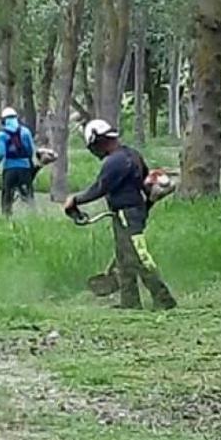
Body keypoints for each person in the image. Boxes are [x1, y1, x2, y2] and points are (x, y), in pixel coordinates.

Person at [65, 119, 177, 310]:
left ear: (99, 142)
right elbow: (145, 181)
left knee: (139, 257)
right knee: (124, 260)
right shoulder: (132, 155)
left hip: (127, 214)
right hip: (130, 212)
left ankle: (165, 300)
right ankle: (130, 302)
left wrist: (75, 200)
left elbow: (99, 188)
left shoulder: (115, 161)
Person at [0, 107, 36, 217]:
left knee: (7, 196)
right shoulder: (25, 131)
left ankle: (6, 217)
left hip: (10, 169)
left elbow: (1, 153)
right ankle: (33, 217)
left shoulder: (2, 134)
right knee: (28, 195)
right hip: (25, 169)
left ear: (3, 120)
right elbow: (31, 150)